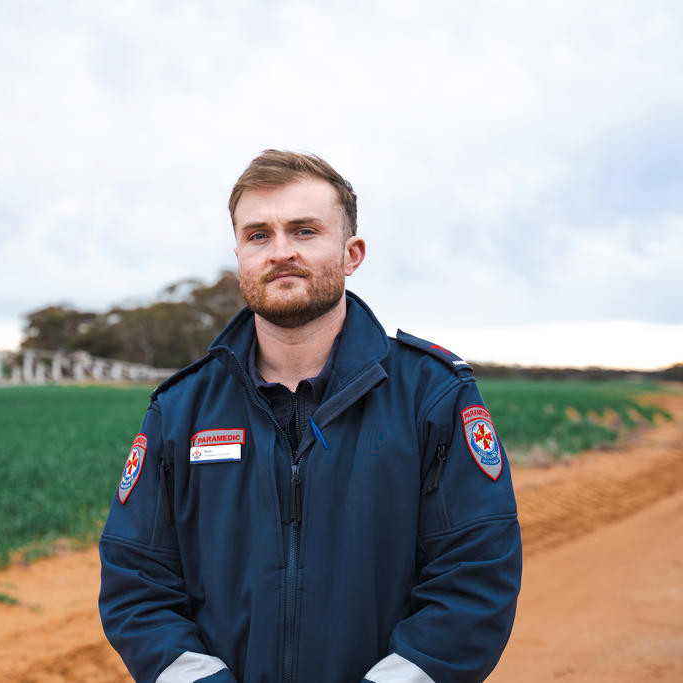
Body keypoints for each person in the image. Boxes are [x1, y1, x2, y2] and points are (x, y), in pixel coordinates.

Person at [99, 150, 521, 682]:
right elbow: (137, 582)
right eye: (258, 235)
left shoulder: (433, 396)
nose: (280, 252)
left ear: (351, 254)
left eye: (304, 231)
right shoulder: (179, 410)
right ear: (239, 256)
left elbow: (474, 579)